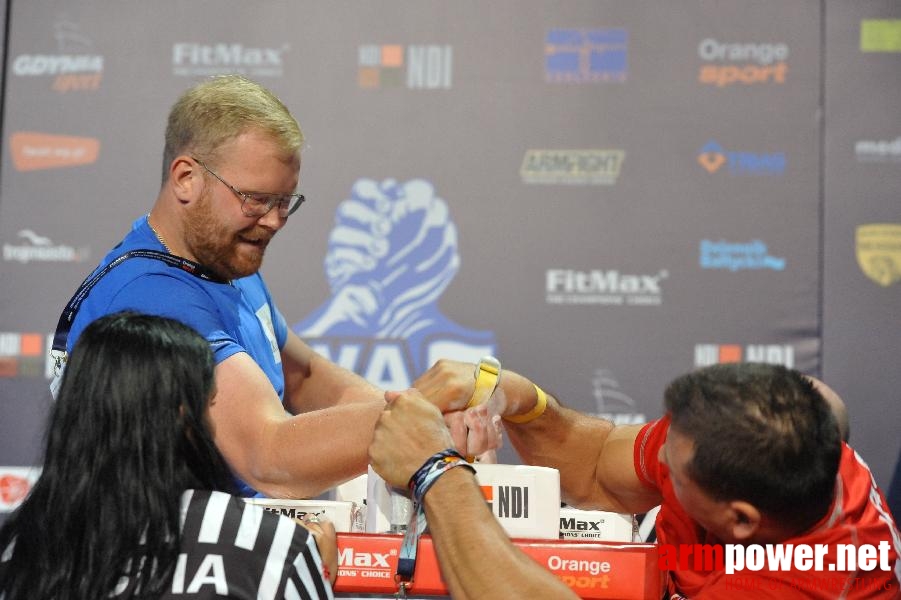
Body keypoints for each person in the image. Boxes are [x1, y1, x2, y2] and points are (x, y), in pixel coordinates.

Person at [53, 74, 387, 498]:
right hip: (162, 561)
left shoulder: (221, 260)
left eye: (285, 202)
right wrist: (416, 423)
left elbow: (304, 378)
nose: (273, 221)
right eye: (255, 198)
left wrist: (407, 414)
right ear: (186, 178)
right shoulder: (149, 298)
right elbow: (269, 457)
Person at [369, 361, 901, 599]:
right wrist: (515, 394)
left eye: (674, 470)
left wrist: (437, 471)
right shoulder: (731, 437)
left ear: (739, 520)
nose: (658, 463)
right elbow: (598, 465)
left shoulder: (820, 585)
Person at [1, 311, 337, 599]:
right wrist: (315, 572)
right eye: (209, 403)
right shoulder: (271, 547)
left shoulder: (15, 549)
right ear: (182, 415)